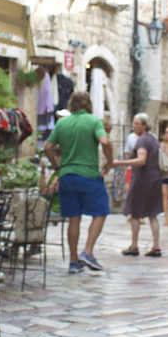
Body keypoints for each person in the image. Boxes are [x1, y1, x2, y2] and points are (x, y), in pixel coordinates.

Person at [43, 91, 114, 273]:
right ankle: (87, 252)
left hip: (67, 175)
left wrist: (56, 167)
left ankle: (73, 262)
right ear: (88, 104)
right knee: (101, 211)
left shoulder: (62, 123)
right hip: (89, 175)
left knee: (73, 219)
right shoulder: (93, 121)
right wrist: (110, 162)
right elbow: (105, 142)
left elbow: (48, 147)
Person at [112, 113, 163, 257]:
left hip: (142, 180)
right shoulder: (153, 139)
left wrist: (121, 163)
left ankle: (134, 245)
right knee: (153, 214)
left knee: (135, 213)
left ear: (144, 126)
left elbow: (141, 160)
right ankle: (156, 245)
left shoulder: (142, 141)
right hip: (155, 179)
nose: (134, 126)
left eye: (137, 124)